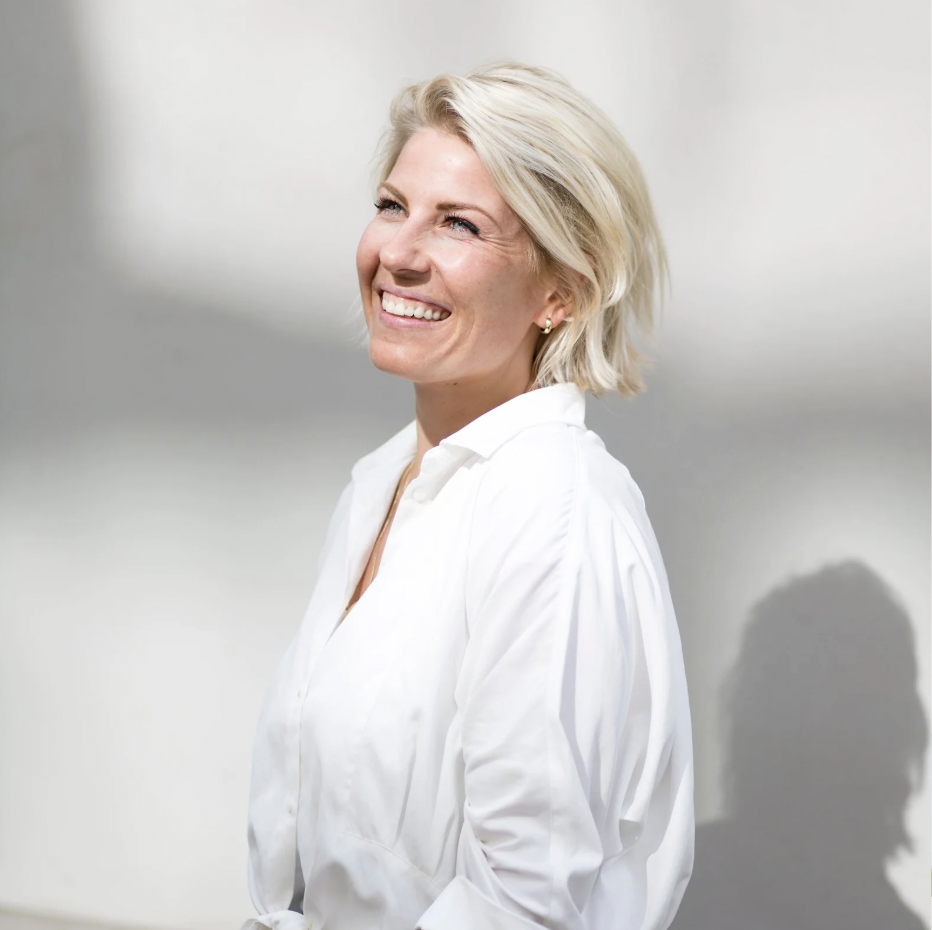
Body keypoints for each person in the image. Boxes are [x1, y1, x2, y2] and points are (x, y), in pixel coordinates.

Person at [242, 62, 693, 930]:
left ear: (565, 290)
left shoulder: (552, 516)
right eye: (391, 206)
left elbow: (523, 906)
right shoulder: (386, 485)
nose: (398, 254)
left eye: (459, 224)